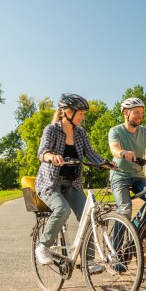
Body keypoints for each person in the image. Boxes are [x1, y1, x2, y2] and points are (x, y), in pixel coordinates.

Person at [34, 93, 110, 266]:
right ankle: (43, 246)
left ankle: (88, 261)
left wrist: (106, 163)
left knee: (89, 215)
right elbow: (42, 152)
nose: (83, 117)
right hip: (50, 183)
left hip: (72, 183)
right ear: (68, 112)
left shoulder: (80, 133)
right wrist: (51, 157)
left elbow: (90, 154)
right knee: (62, 209)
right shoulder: (52, 130)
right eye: (81, 113)